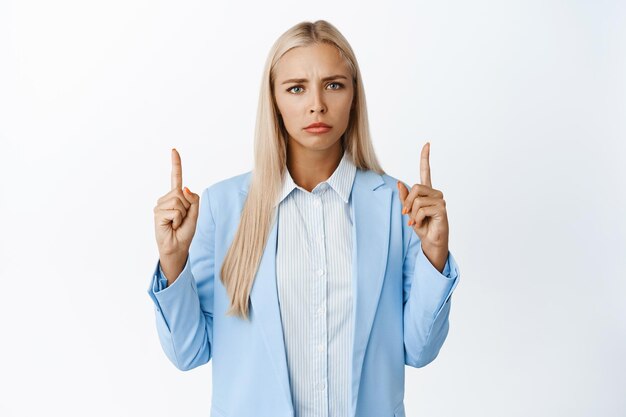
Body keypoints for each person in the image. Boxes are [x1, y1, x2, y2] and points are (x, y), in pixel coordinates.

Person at [148, 19, 460, 417]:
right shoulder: (222, 206)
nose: (317, 104)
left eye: (334, 85)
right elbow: (188, 352)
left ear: (353, 97)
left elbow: (419, 350)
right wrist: (173, 262)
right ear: (274, 100)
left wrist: (435, 254)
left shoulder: (396, 206)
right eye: (296, 88)